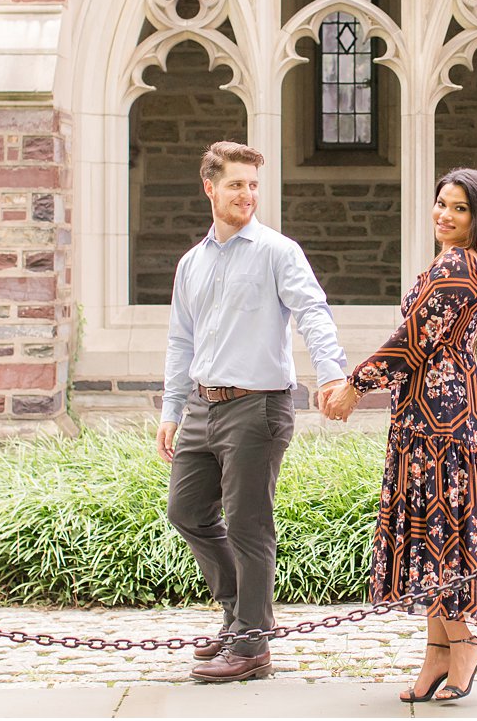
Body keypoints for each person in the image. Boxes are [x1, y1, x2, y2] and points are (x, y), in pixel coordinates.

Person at [320, 167, 477, 704]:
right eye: (441, 204)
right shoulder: (462, 262)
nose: (444, 215)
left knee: (439, 528)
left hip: (439, 420)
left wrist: (353, 386)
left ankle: (464, 644)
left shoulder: (457, 265)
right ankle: (437, 654)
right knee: (431, 527)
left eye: (458, 208)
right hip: (429, 411)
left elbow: (411, 341)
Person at [158, 141, 348, 683]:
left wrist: (332, 372)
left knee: (247, 523)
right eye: (236, 184)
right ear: (210, 188)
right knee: (187, 511)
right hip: (201, 404)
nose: (247, 194)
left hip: (257, 407)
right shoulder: (191, 263)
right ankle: (240, 615)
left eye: (253, 185)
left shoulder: (277, 251)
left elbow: (312, 310)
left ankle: (251, 642)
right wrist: (172, 409)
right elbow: (181, 340)